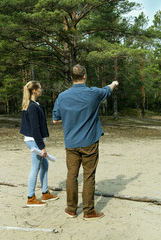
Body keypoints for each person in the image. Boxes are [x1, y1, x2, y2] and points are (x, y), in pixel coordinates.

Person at [52, 64, 118, 220]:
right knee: (89, 176)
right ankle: (88, 211)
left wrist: (70, 118)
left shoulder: (62, 96)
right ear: (84, 76)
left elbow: (56, 119)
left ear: (71, 77)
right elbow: (108, 89)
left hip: (71, 143)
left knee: (71, 176)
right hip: (89, 142)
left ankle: (71, 209)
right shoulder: (93, 93)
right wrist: (114, 83)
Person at [20, 81, 59, 207]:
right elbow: (35, 129)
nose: (42, 90)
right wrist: (42, 147)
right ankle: (31, 197)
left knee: (45, 166)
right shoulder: (32, 107)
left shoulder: (33, 105)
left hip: (34, 141)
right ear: (35, 90)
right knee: (35, 168)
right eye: (40, 88)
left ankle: (45, 192)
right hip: (34, 142)